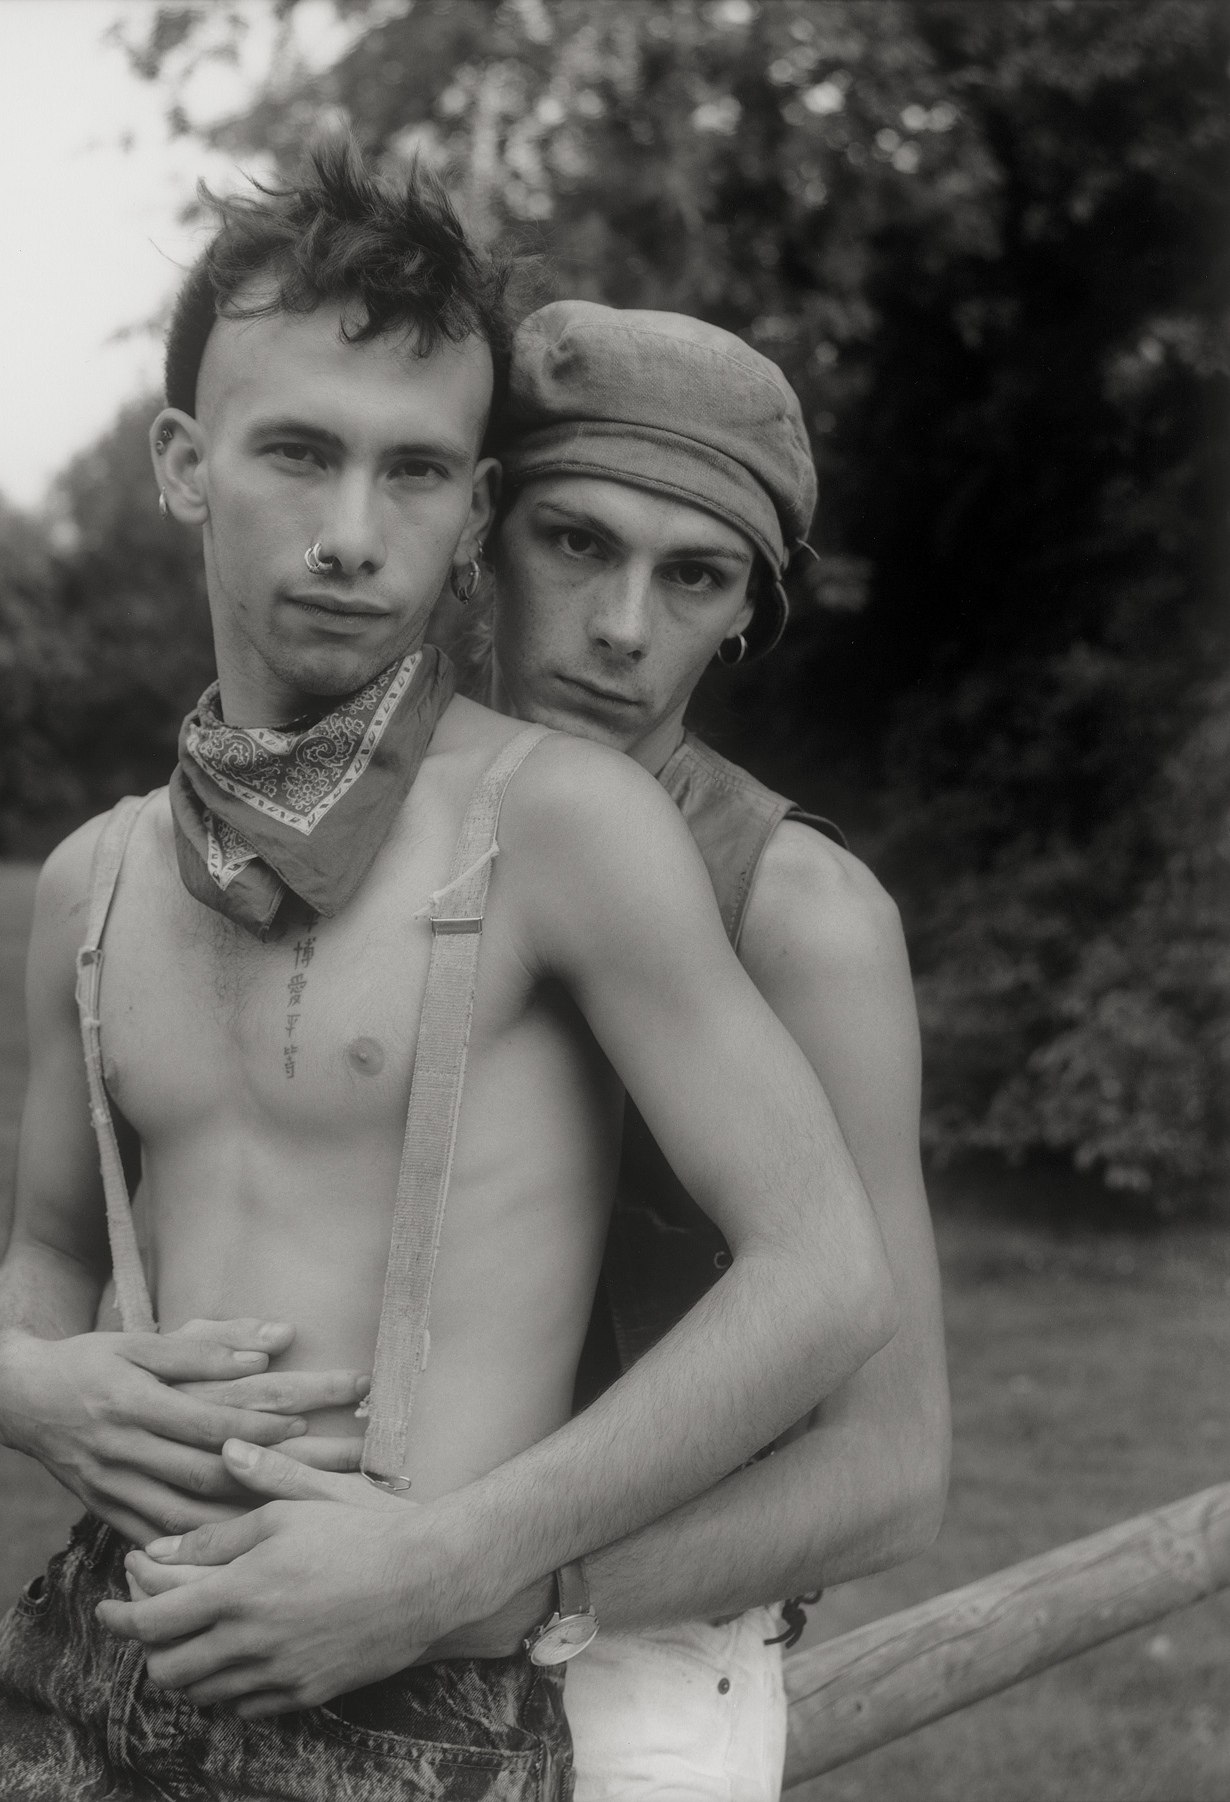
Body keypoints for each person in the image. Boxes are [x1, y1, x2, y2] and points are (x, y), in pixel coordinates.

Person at [0, 147, 895, 1801]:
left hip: (405, 1682)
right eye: (300, 452)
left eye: (417, 472)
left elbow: (827, 1277)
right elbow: (45, 1254)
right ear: (184, 462)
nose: (354, 533)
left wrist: (461, 1564)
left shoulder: (563, 825)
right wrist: (26, 1375)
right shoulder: (95, 877)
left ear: (470, 513)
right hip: (96, 1642)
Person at [123, 302, 950, 1802]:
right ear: (481, 534)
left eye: (693, 576)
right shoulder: (338, 829)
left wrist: (486, 1587)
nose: (624, 626)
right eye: (577, 543)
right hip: (273, 1618)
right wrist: (33, 1373)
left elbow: (890, 1468)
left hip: (616, 1664)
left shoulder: (800, 913)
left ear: (744, 614)